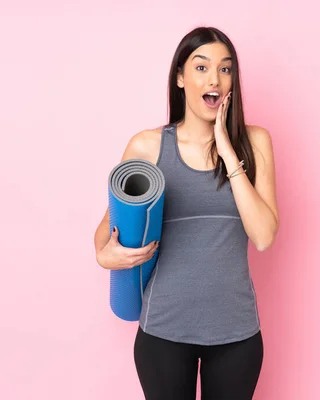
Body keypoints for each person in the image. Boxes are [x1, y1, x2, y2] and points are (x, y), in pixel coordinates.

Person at [93, 26, 279, 400]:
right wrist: (106, 255)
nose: (215, 78)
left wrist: (227, 151)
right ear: (180, 77)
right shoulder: (147, 146)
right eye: (201, 67)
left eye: (225, 69)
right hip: (163, 333)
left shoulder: (255, 142)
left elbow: (263, 235)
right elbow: (104, 234)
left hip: (236, 335)